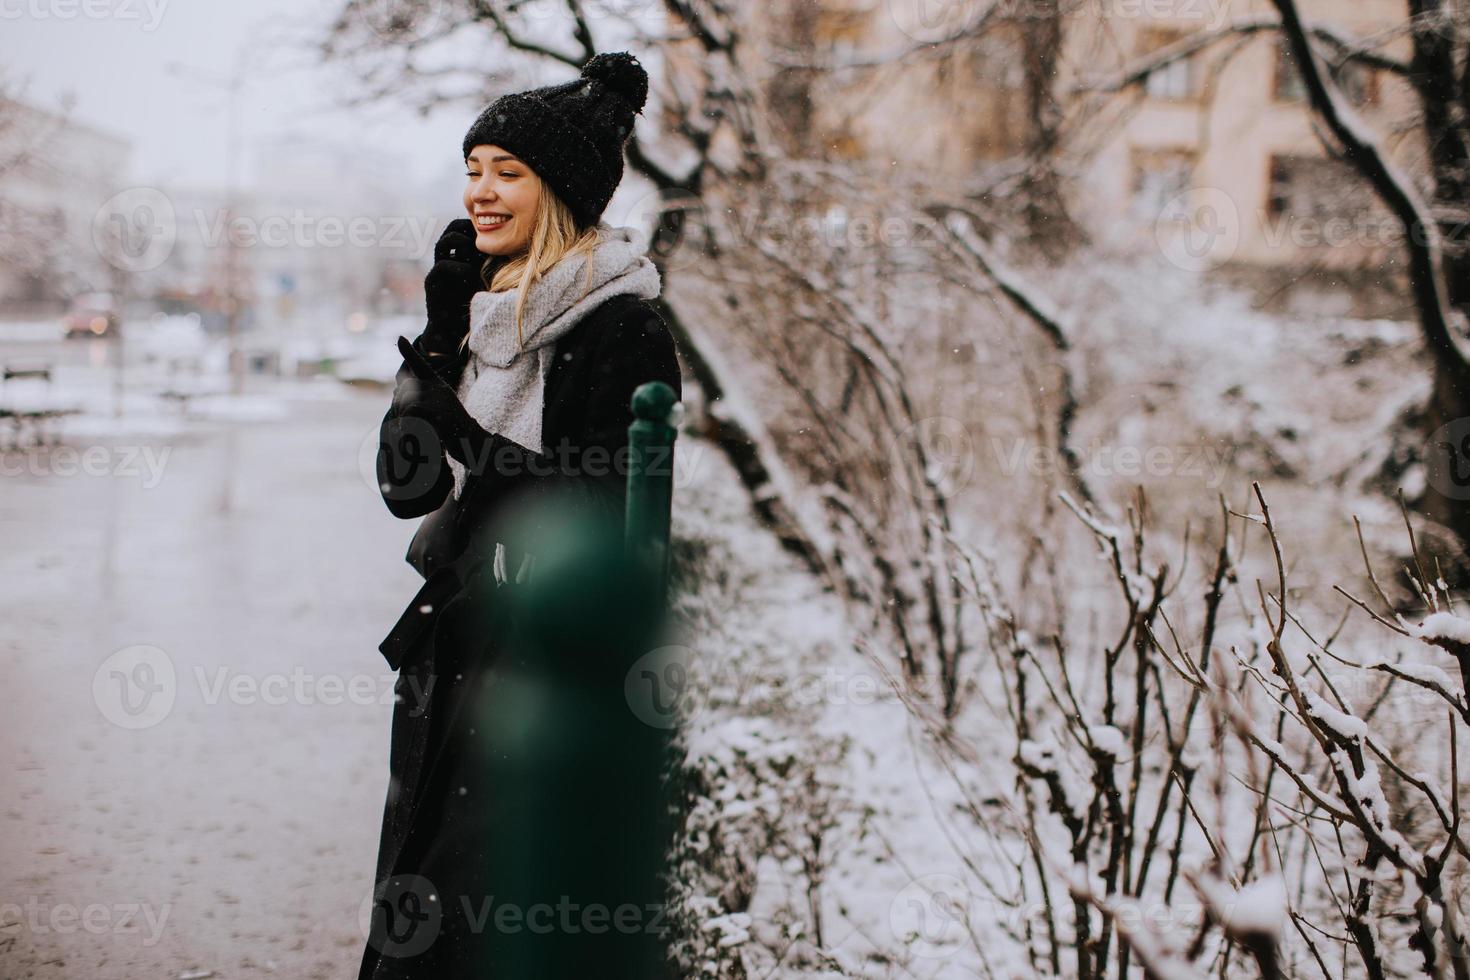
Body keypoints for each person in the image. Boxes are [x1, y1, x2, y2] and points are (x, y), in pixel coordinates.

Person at [360, 51, 682, 979]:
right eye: (473, 169)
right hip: (447, 652)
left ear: (564, 189)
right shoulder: (478, 312)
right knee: (413, 920)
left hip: (541, 669)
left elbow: (597, 512)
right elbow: (404, 489)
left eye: (508, 172)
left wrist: (462, 427)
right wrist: (432, 343)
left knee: (488, 930)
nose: (481, 193)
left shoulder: (621, 327)